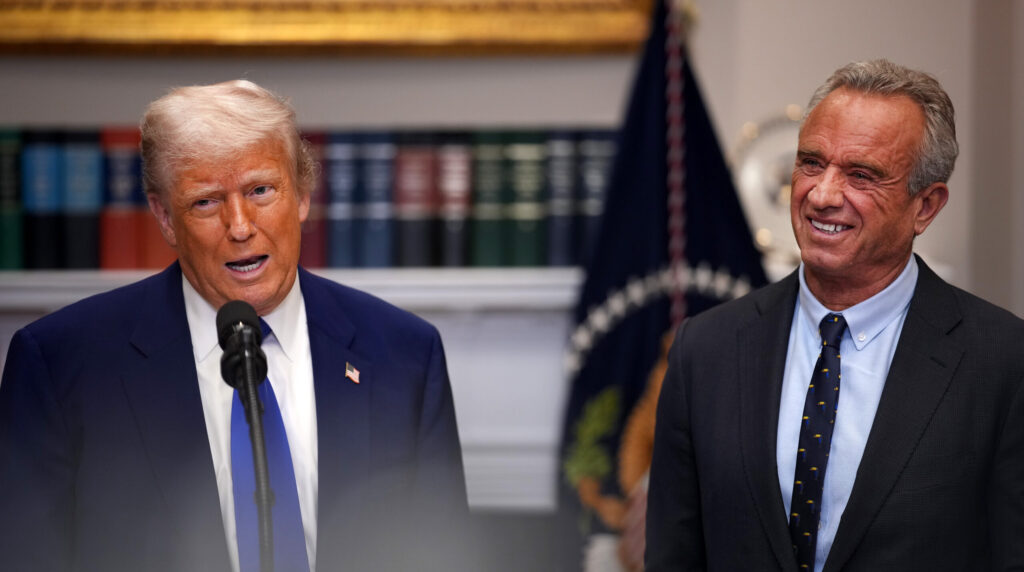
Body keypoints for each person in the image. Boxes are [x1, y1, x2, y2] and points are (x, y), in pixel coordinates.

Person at [0, 80, 467, 571]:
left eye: (260, 190)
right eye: (205, 202)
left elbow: (444, 555)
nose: (240, 226)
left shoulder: (405, 356)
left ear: (302, 197)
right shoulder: (61, 365)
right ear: (164, 217)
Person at [646, 59, 1024, 571]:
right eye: (810, 163)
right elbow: (674, 555)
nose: (822, 195)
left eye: (861, 175)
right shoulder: (705, 349)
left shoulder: (1002, 361)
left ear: (926, 206)